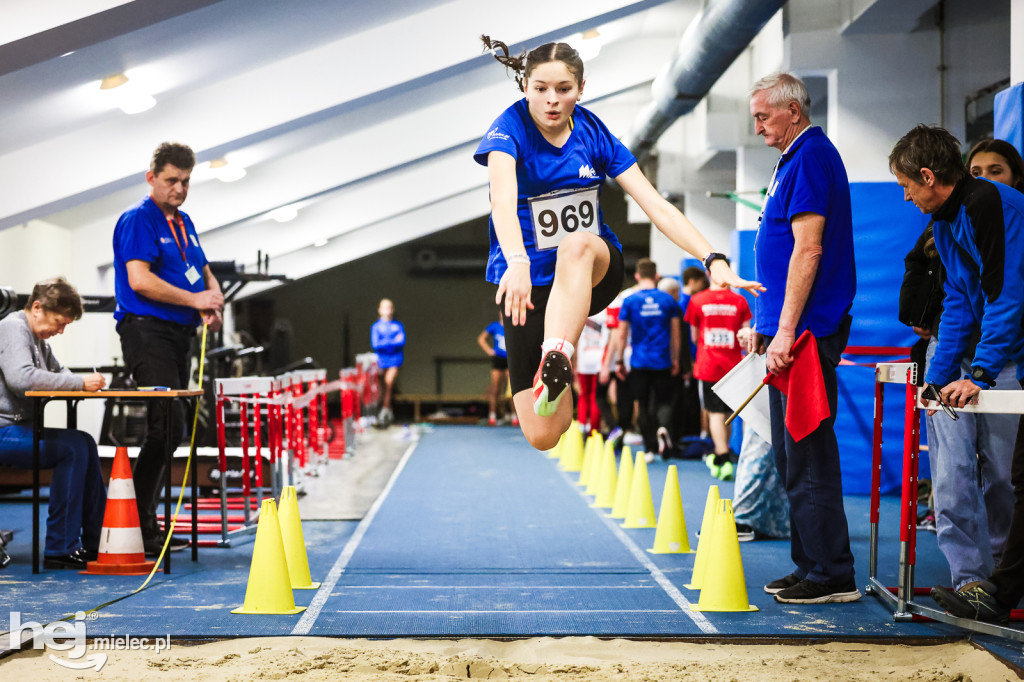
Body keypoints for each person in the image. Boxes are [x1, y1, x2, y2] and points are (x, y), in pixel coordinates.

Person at [475, 36, 762, 451]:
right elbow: (502, 200)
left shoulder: (594, 133)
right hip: (528, 282)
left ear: (581, 88)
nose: (552, 100)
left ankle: (557, 354)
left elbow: (656, 206)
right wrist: (517, 262)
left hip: (592, 267)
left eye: (563, 89)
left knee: (574, 244)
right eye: (540, 89)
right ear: (525, 88)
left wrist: (712, 257)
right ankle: (556, 380)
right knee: (543, 434)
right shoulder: (507, 130)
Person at [887, 126, 1024, 624]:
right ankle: (969, 580)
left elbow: (1007, 296)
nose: (906, 197)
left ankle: (1005, 581)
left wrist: (983, 374)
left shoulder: (990, 204)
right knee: (950, 474)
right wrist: (936, 377)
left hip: (1008, 358)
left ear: (928, 177)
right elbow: (961, 303)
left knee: (1007, 476)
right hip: (973, 357)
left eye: (907, 186)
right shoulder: (944, 223)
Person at [746, 72, 859, 605]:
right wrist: (765, 322)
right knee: (790, 458)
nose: (759, 127)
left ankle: (832, 574)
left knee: (808, 451)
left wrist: (786, 328)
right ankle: (810, 562)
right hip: (787, 327)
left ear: (793, 111)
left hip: (807, 332)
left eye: (764, 116)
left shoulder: (811, 156)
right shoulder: (793, 158)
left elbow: (808, 251)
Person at [113, 141, 224, 556]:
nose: (179, 188)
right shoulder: (137, 219)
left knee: (174, 429)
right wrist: (196, 301)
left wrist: (213, 297)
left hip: (179, 334)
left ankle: (147, 521)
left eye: (186, 181)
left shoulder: (184, 220)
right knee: (164, 426)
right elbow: (140, 280)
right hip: (147, 331)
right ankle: (140, 524)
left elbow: (203, 268)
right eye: (171, 180)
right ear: (151, 178)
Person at [0, 278, 107, 569]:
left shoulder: (37, 339)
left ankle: (98, 542)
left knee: (83, 440)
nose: (60, 331)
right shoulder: (12, 328)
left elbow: (59, 371)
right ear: (37, 308)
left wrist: (81, 382)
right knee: (71, 448)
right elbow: (21, 379)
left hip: (18, 427)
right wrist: (79, 382)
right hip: (4, 430)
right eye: (59, 323)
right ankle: (60, 548)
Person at [684, 262, 751, 480]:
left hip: (708, 365)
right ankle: (724, 450)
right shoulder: (740, 301)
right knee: (728, 413)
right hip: (732, 366)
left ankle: (721, 454)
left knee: (714, 412)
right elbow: (746, 336)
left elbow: (694, 337)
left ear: (707, 274)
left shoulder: (697, 300)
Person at [614, 259, 680, 460]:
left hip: (639, 361)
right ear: (656, 275)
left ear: (637, 276)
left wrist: (619, 360)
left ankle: (650, 449)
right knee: (663, 401)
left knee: (642, 404)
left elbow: (622, 333)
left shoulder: (630, 301)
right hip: (662, 360)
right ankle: (662, 427)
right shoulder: (668, 300)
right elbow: (676, 335)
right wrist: (675, 359)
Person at [371, 298, 405, 427]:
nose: (387, 310)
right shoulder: (376, 327)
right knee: (382, 386)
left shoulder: (398, 325)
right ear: (379, 310)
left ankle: (385, 410)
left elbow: (401, 342)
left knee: (389, 383)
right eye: (384, 307)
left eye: (389, 307)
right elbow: (376, 344)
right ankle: (386, 408)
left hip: (394, 360)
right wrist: (392, 340)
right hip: (381, 360)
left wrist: (385, 341)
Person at [477, 314, 514, 426]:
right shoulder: (494, 326)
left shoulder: (512, 326)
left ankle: (514, 416)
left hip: (509, 359)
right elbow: (481, 338)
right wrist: (489, 350)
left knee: (511, 389)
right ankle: (492, 415)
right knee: (495, 388)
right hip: (498, 360)